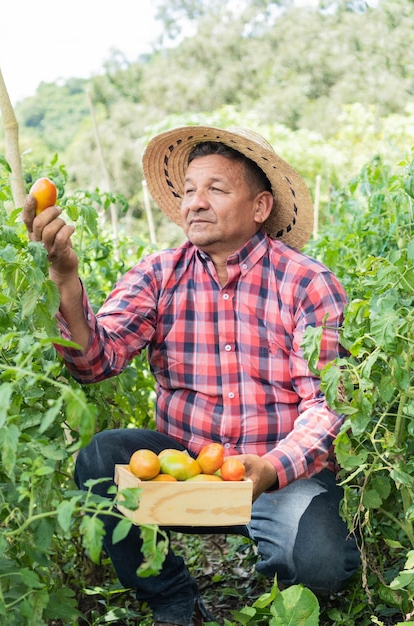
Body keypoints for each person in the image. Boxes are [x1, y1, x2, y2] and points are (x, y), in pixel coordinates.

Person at [23, 125, 360, 626]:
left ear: (260, 207)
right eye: (188, 191)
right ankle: (173, 596)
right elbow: (95, 361)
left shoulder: (307, 283)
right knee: (101, 459)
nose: (195, 203)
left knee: (323, 565)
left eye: (216, 189)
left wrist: (269, 469)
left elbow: (327, 403)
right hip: (187, 466)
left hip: (281, 475)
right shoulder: (158, 274)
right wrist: (65, 276)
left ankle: (281, 577)